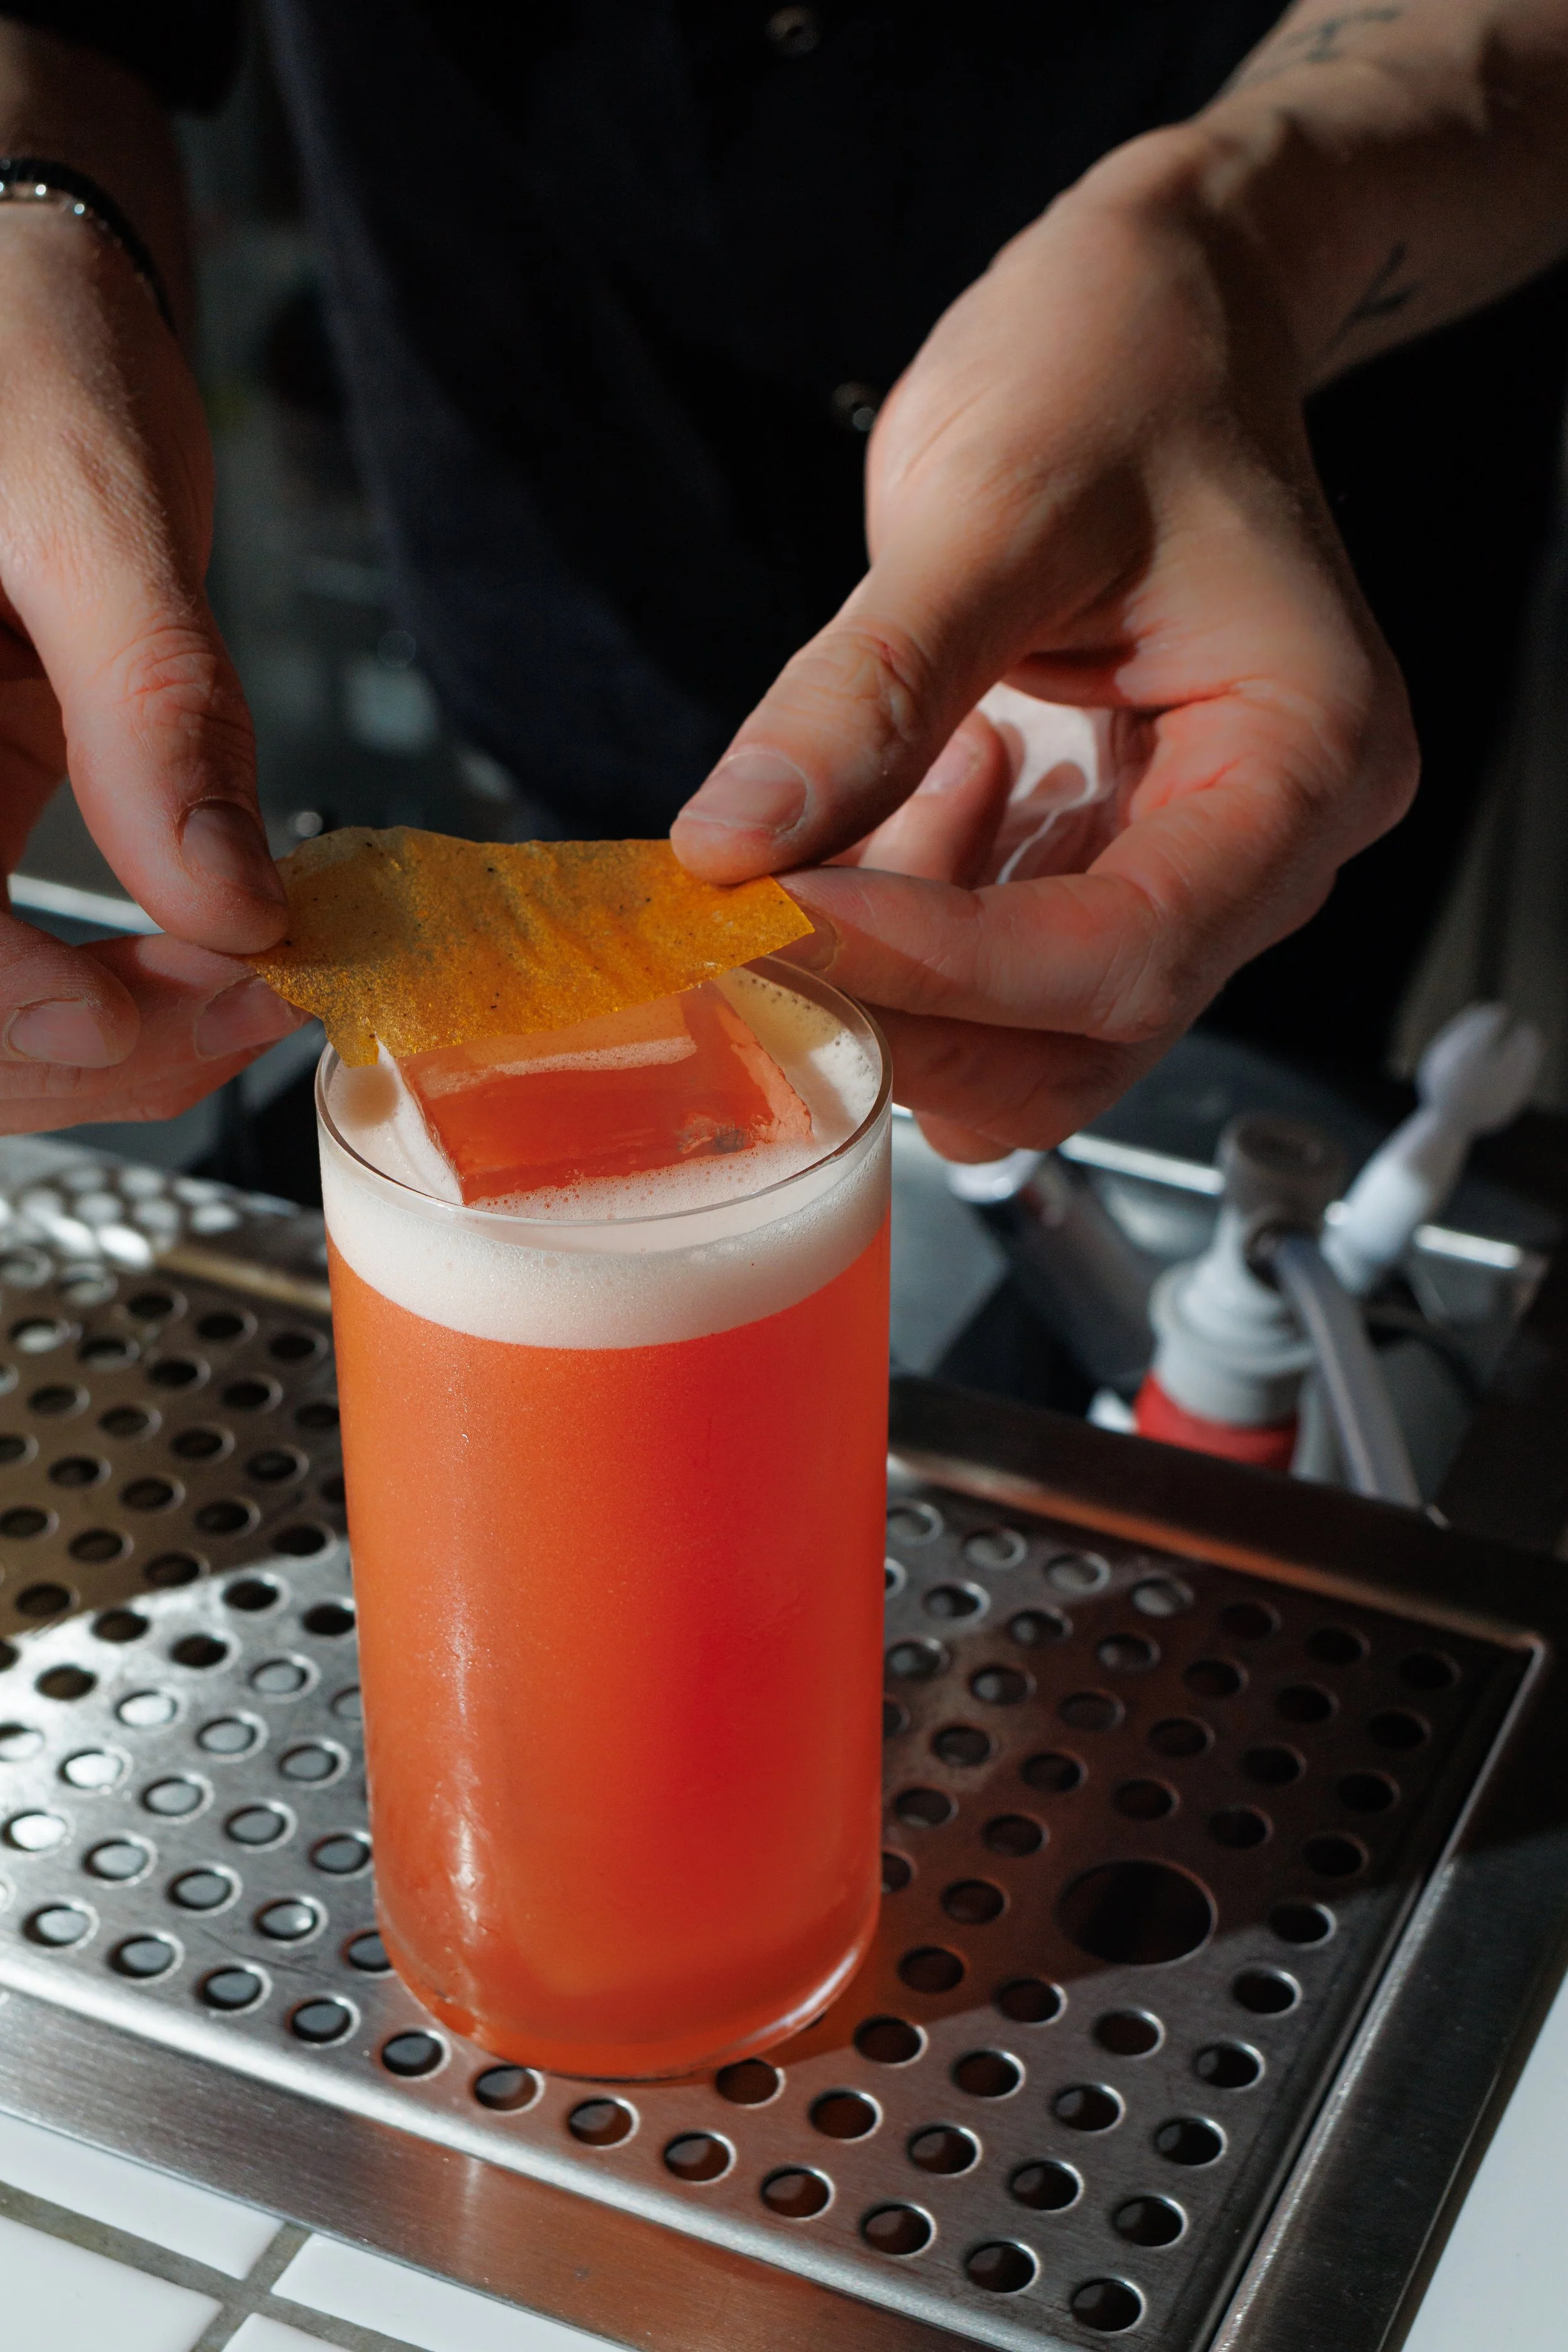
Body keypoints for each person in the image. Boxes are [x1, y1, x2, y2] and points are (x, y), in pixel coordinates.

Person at [0, 0, 1562, 1164]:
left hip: (1209, 601)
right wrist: (31, 225)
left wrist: (1237, 237)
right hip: (568, 515)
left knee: (1211, 1092)